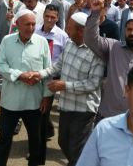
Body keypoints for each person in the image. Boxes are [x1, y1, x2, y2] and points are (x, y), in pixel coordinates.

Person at [34, 12, 105, 166]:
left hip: (84, 109)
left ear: (81, 31)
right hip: (67, 104)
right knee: (63, 141)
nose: (66, 30)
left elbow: (93, 84)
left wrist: (64, 85)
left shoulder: (96, 52)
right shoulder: (69, 44)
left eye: (70, 27)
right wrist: (39, 74)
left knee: (76, 147)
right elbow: (58, 66)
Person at [0, 9, 52, 166]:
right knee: (4, 138)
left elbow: (48, 71)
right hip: (10, 102)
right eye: (27, 24)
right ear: (17, 24)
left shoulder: (42, 42)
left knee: (36, 140)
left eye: (33, 24)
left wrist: (46, 96)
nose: (30, 28)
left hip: (34, 102)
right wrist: (20, 75)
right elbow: (1, 66)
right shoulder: (7, 40)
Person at [33, 4, 69, 142]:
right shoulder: (35, 30)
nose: (49, 20)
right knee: (36, 109)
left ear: (57, 18)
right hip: (36, 75)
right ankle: (47, 129)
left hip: (51, 78)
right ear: (43, 16)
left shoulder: (62, 36)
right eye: (47, 16)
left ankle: (38, 143)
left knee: (43, 110)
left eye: (52, 17)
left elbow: (65, 59)